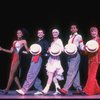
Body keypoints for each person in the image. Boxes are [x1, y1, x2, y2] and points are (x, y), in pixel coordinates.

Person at [16, 29, 49, 95]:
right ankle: (40, 89)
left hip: (38, 57)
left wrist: (41, 51)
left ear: (43, 34)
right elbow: (32, 51)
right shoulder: (36, 42)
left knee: (31, 74)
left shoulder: (45, 41)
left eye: (41, 32)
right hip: (33, 57)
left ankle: (24, 90)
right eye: (38, 32)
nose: (40, 33)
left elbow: (46, 50)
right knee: (35, 75)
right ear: (37, 34)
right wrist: (26, 52)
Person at [34, 28, 64, 95]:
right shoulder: (52, 42)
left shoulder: (59, 40)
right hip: (51, 59)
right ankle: (58, 88)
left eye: (56, 32)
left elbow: (62, 49)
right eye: (53, 32)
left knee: (50, 75)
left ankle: (45, 90)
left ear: (58, 33)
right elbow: (49, 51)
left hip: (56, 59)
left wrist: (56, 50)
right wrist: (49, 50)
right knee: (53, 76)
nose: (54, 33)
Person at [58, 24, 85, 95]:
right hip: (69, 55)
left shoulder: (79, 36)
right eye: (71, 28)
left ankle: (65, 89)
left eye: (74, 28)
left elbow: (81, 46)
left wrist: (84, 48)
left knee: (71, 72)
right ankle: (79, 89)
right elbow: (69, 46)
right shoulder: (70, 37)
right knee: (75, 73)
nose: (72, 29)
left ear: (77, 29)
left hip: (75, 55)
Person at [0, 29, 29, 94]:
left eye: (20, 33)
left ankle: (6, 89)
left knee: (11, 74)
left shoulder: (24, 41)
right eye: (17, 33)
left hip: (18, 58)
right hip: (13, 58)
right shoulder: (14, 42)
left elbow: (27, 50)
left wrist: (29, 50)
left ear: (22, 34)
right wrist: (2, 49)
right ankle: (20, 89)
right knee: (14, 75)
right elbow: (11, 51)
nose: (18, 34)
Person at [83, 26, 100, 95]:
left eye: (95, 31)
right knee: (90, 75)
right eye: (92, 31)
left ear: (97, 32)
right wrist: (85, 48)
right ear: (90, 33)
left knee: (92, 76)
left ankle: (88, 91)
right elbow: (86, 53)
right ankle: (97, 90)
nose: (93, 33)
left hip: (96, 60)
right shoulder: (90, 42)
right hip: (90, 60)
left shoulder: (99, 40)